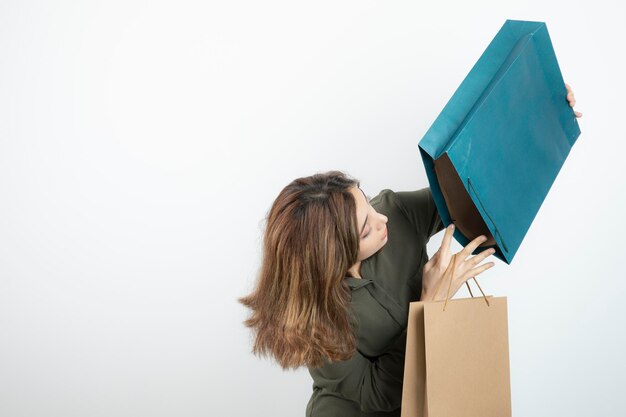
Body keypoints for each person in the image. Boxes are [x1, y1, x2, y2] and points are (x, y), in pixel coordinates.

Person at [239, 87, 581, 416]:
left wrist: (540, 116)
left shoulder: (393, 212)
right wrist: (428, 305)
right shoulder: (308, 320)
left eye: (366, 202)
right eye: (365, 227)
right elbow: (378, 392)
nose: (381, 217)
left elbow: (472, 195)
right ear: (332, 255)